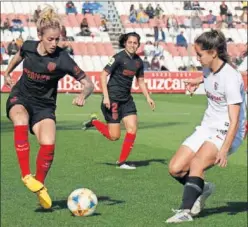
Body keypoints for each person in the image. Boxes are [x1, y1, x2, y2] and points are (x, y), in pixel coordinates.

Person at [4, 6, 94, 210]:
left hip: (44, 106)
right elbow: (18, 56)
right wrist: (8, 72)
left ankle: (39, 186)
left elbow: (89, 83)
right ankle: (26, 175)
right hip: (21, 97)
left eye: (57, 39)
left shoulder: (63, 59)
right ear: (40, 36)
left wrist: (82, 95)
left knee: (49, 144)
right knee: (20, 119)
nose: (55, 43)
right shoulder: (28, 46)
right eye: (50, 39)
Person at [165, 29, 246, 223]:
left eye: (200, 54)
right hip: (207, 126)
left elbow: (235, 120)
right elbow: (210, 77)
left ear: (213, 52)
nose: (197, 58)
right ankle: (203, 187)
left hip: (227, 131)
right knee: (175, 168)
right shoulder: (208, 68)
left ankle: (185, 212)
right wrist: (197, 80)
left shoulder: (232, 78)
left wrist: (224, 149)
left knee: (197, 164)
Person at [82, 32, 155, 170]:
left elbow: (141, 81)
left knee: (132, 129)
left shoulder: (138, 62)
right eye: (130, 42)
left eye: (135, 43)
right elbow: (103, 75)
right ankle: (94, 122)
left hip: (127, 100)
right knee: (114, 136)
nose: (132, 45)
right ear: (125, 43)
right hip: (113, 100)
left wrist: (148, 97)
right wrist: (106, 96)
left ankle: (121, 162)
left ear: (138, 45)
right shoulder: (118, 58)